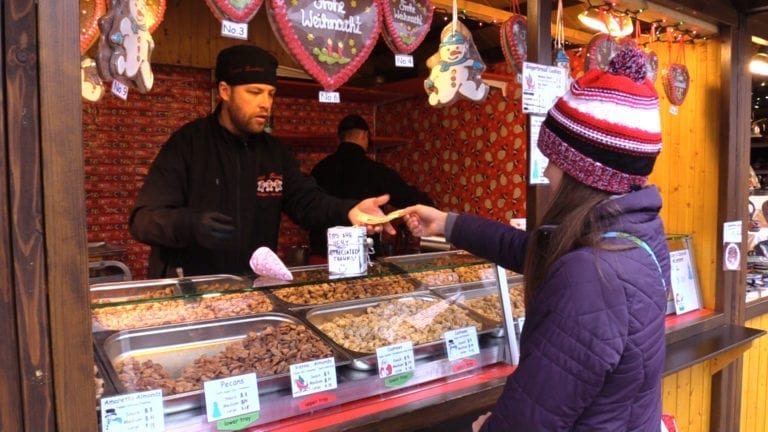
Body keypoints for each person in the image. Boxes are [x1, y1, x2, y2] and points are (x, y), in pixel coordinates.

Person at [402, 47, 670, 431]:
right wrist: (447, 224)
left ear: (584, 171)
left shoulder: (592, 275)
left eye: (554, 159)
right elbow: (534, 250)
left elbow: (530, 418)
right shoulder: (634, 232)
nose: (546, 170)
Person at [129, 44, 393, 278]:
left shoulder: (274, 152)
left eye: (270, 93)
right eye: (255, 92)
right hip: (192, 289)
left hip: (252, 287)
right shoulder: (188, 144)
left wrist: (348, 211)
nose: (266, 104)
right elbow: (142, 220)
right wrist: (189, 224)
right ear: (224, 91)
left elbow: (307, 201)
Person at [309, 114, 434, 255]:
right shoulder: (376, 170)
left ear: (340, 138)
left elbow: (308, 208)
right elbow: (407, 197)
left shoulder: (319, 169)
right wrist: (431, 208)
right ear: (364, 135)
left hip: (321, 255)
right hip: (363, 256)